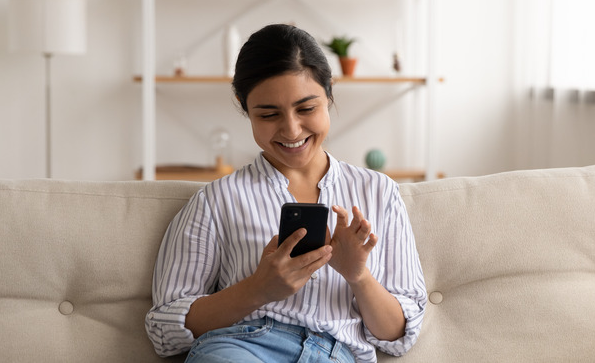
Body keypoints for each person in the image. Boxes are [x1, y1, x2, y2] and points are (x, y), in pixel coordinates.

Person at [146, 24, 427, 363]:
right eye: (268, 114)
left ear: (329, 93)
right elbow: (165, 330)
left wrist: (358, 275)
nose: (292, 130)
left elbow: (398, 336)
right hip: (240, 348)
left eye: (306, 108)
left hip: (335, 355)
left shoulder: (379, 193)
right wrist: (257, 289)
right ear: (244, 107)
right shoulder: (216, 201)